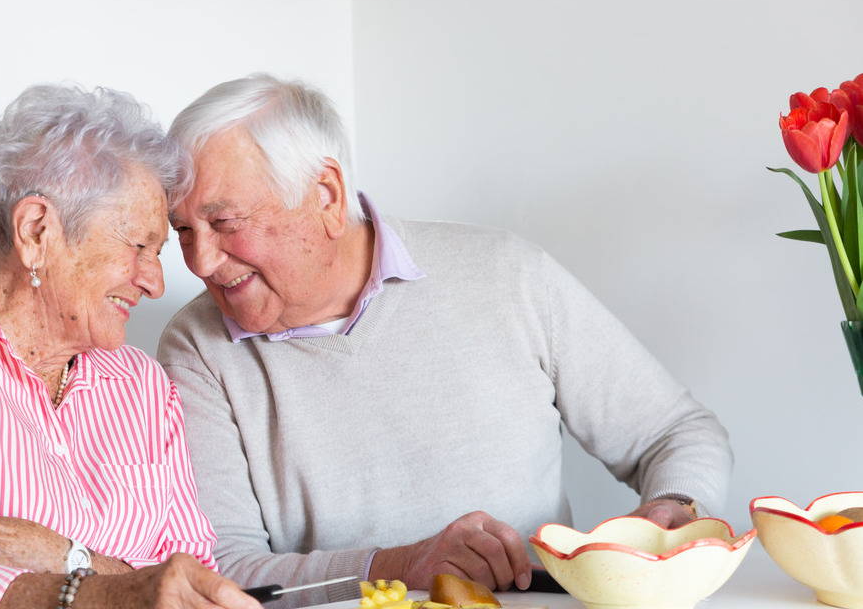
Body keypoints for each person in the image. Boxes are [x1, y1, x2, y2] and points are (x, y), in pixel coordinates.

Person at [157, 73, 733, 608]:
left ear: (326, 195)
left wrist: (677, 506)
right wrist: (398, 566)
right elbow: (221, 571)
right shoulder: (197, 346)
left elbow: (675, 432)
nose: (200, 261)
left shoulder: (507, 275)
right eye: (183, 230)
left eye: (225, 223)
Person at [0, 84, 263, 609]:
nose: (154, 282)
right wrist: (111, 591)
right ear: (36, 231)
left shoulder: (141, 385)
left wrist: (49, 551)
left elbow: (191, 586)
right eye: (138, 246)